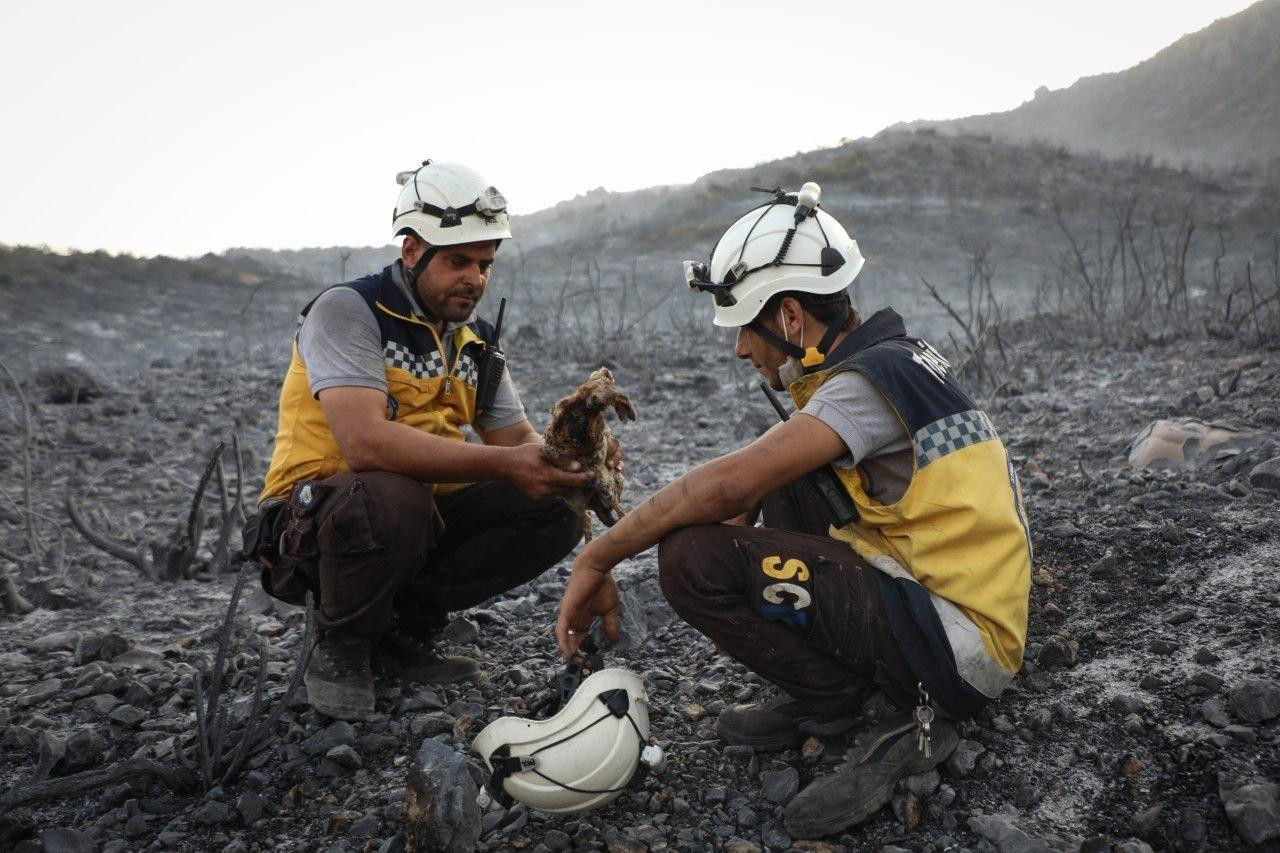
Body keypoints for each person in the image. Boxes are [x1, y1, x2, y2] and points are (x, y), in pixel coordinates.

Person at [555, 183, 1032, 837]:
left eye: (743, 332)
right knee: (783, 477)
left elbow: (726, 485)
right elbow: (754, 487)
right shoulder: (891, 362)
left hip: (957, 649)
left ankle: (880, 709)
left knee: (690, 559)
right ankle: (835, 696)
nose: (738, 351)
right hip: (956, 606)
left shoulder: (863, 386)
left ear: (789, 318)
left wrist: (598, 553)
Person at [255, 161, 595, 721]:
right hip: (314, 525)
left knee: (553, 504)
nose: (476, 280)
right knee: (393, 494)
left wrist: (575, 462)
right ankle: (341, 640)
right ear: (411, 251)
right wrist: (511, 464)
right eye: (458, 261)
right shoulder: (348, 310)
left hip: (413, 517)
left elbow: (520, 442)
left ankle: (400, 628)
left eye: (485, 265)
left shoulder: (476, 343)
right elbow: (365, 444)